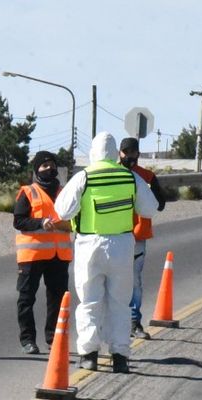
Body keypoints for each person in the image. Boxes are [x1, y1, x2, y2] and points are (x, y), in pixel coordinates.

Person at [53, 132, 159, 373]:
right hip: (122, 246)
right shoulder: (131, 177)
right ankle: (120, 355)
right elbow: (150, 209)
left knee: (89, 301)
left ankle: (88, 355)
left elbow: (63, 210)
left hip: (89, 246)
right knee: (120, 302)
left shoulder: (84, 177)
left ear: (93, 152)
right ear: (115, 153)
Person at [12, 150, 72, 354]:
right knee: (27, 298)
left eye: (52, 165)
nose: (49, 169)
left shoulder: (65, 192)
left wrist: (67, 225)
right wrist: (39, 222)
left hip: (59, 255)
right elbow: (19, 221)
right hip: (32, 255)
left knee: (57, 299)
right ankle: (27, 340)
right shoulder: (28, 192)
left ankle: (54, 338)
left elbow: (75, 219)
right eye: (44, 165)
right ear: (36, 169)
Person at [118, 137, 168, 340]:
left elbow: (160, 204)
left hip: (137, 236)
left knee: (134, 281)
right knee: (112, 280)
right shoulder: (112, 174)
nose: (129, 157)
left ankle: (133, 322)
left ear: (138, 153)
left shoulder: (147, 176)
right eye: (126, 152)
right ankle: (115, 322)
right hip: (115, 234)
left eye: (133, 153)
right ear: (119, 153)